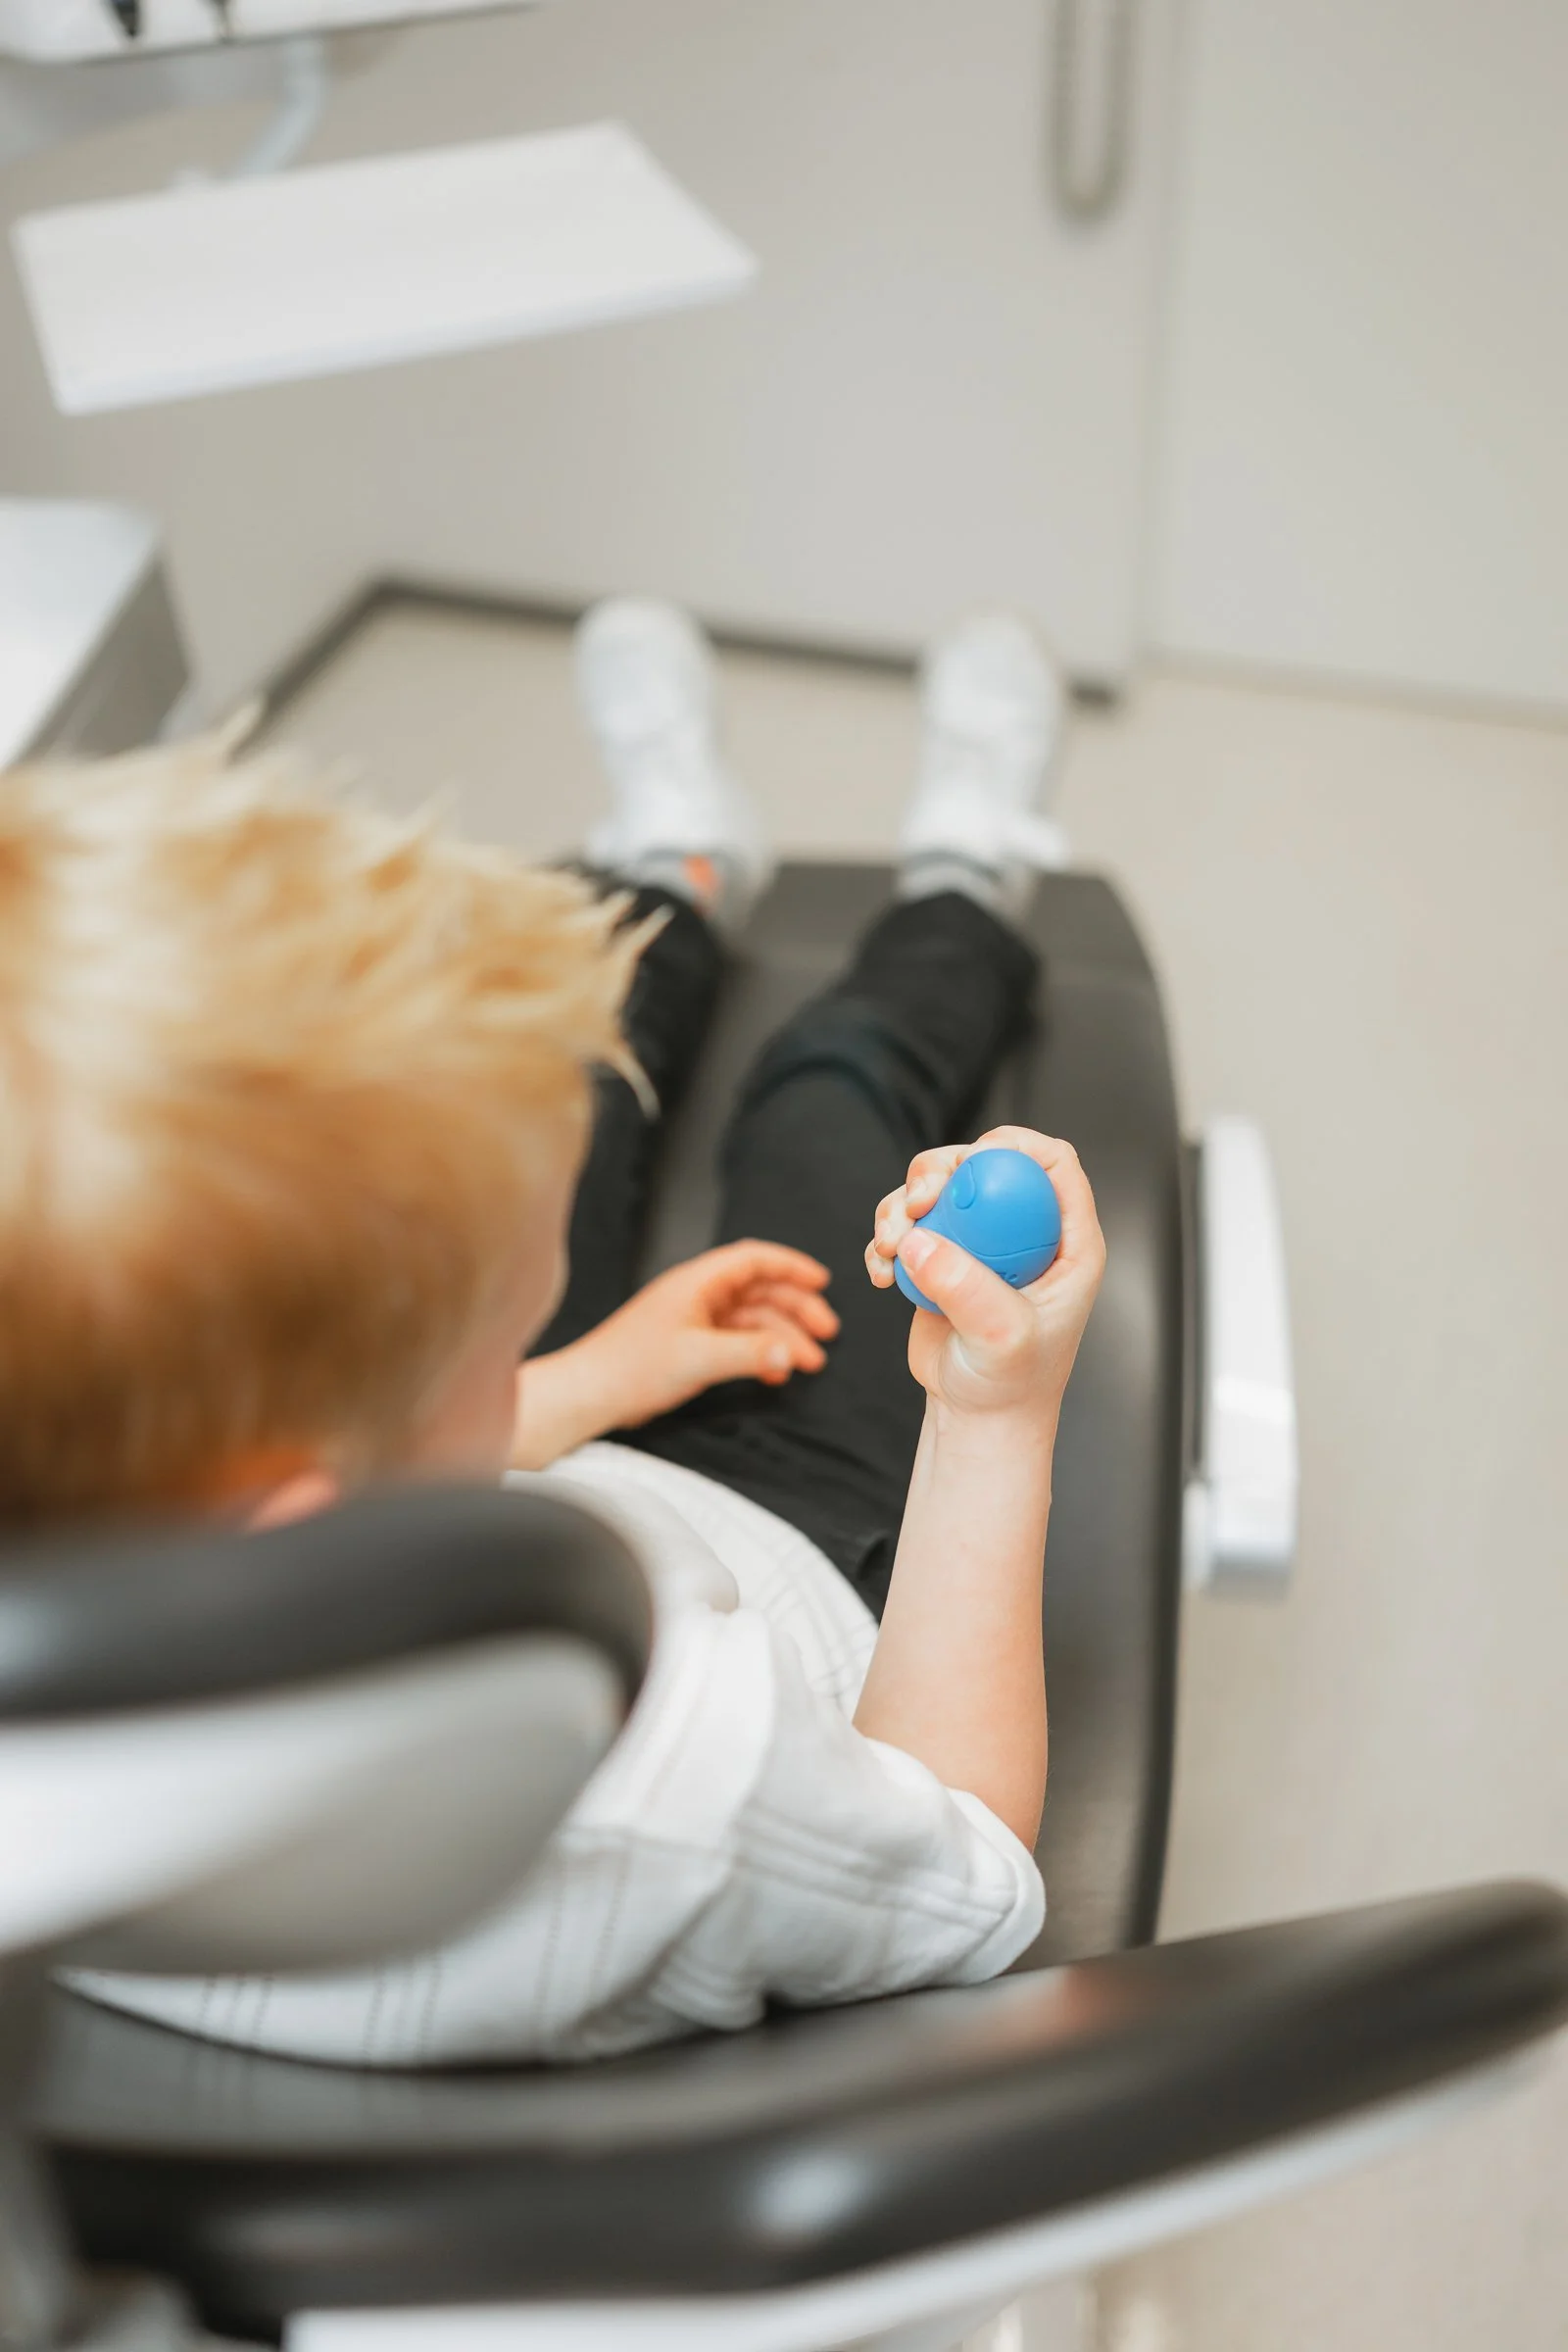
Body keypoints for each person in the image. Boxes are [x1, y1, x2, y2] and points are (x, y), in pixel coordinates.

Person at [2, 604, 1103, 2065]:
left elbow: (288, 1502)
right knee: (822, 1089)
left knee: (601, 1064)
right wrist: (994, 1410)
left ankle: (675, 877)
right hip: (794, 1544)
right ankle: (966, 881)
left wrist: (585, 1378)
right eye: (511, 1313)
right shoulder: (673, 1779)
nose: (539, 1303)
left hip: (549, 1486)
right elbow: (969, 1861)